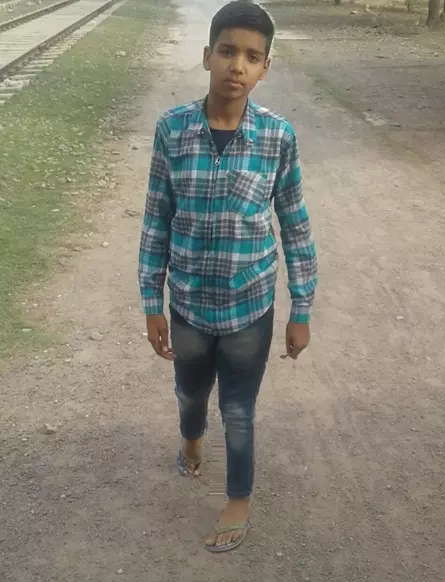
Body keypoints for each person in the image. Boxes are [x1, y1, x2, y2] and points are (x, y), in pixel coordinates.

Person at [138, 1, 317, 553]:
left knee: (238, 408)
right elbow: (156, 218)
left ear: (265, 68)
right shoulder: (172, 130)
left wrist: (301, 308)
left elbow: (294, 223)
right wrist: (151, 300)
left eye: (252, 57)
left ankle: (237, 495)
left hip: (249, 308)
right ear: (207, 56)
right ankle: (191, 440)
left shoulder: (277, 137)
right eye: (227, 51)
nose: (237, 65)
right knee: (189, 393)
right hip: (189, 304)